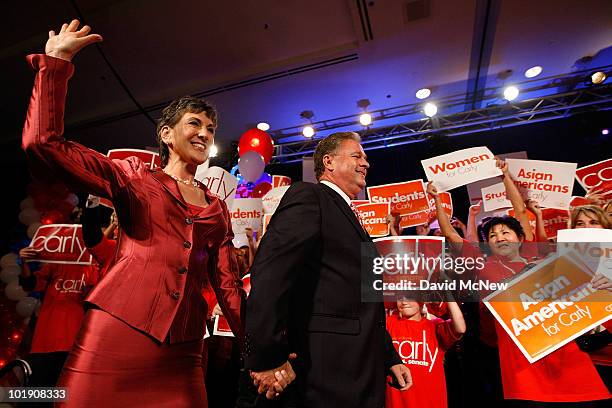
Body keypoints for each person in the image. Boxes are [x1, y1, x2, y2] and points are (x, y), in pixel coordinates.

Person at [22, 20, 243, 407]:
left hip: (185, 351)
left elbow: (227, 287)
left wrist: (262, 349)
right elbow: (44, 144)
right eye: (195, 123)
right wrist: (54, 65)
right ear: (166, 134)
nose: (205, 133)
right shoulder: (132, 177)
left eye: (210, 128)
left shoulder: (217, 208)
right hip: (116, 334)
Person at [244, 131, 411, 406]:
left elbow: (363, 301)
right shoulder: (309, 196)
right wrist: (266, 358)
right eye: (357, 155)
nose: (366, 163)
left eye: (366, 157)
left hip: (362, 370)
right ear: (329, 162)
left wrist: (389, 357)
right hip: (324, 374)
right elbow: (271, 274)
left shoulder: (352, 219)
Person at [429, 164, 611, 405]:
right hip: (512, 349)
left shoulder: (535, 254)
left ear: (521, 238)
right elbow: (451, 234)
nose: (499, 237)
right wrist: (436, 201)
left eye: (505, 232)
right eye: (492, 236)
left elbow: (519, 211)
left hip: (556, 343)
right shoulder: (482, 262)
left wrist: (505, 176)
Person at [385, 298, 465, 408]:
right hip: (396, 402)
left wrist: (448, 294)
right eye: (399, 297)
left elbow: (460, 328)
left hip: (428, 402)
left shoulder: (434, 326)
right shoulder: (388, 323)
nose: (404, 302)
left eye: (410, 296)